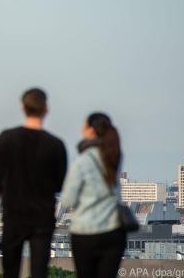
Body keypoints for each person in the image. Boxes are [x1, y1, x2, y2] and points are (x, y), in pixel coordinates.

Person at [0, 88, 67, 278]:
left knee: (11, 271)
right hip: (43, 219)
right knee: (39, 273)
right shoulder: (56, 145)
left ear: (23, 108)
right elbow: (60, 185)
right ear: (46, 109)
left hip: (13, 217)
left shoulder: (6, 139)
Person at [60, 113, 126, 278]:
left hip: (85, 232)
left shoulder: (82, 162)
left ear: (91, 130)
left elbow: (68, 199)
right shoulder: (114, 157)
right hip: (113, 231)